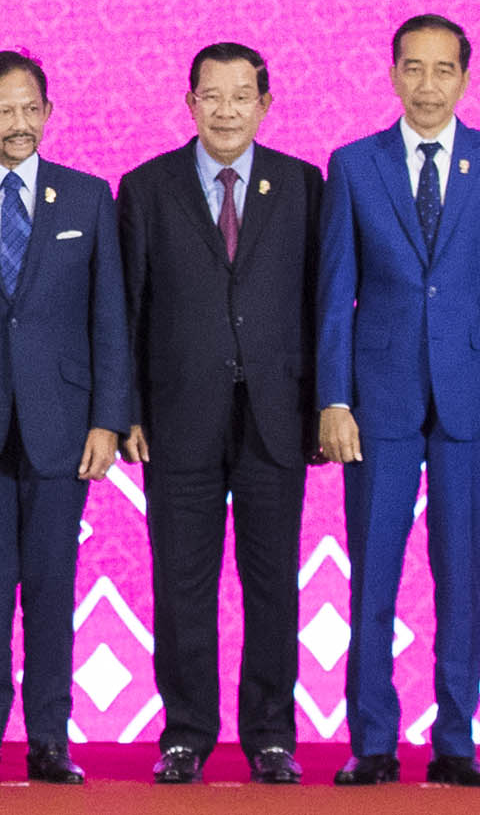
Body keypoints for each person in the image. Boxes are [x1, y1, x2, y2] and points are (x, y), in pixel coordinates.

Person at [315, 14, 480, 788]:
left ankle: (455, 741)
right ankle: (372, 742)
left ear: (465, 79)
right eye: (414, 68)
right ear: (392, 75)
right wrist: (333, 399)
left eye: (444, 70)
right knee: (372, 577)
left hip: (472, 401)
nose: (428, 84)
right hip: (379, 401)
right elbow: (335, 291)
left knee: (462, 578)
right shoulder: (354, 164)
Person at [0, 50, 129, 786]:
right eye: (3, 110)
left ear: (47, 112)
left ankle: (49, 739)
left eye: (31, 108)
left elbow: (110, 318)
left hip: (63, 425)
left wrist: (108, 418)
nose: (19, 122)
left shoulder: (87, 197)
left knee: (51, 587)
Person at [114, 43, 325, 785]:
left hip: (276, 415)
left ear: (265, 105)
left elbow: (322, 304)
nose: (227, 110)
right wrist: (125, 410)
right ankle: (186, 734)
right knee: (181, 584)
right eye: (213, 96)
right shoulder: (146, 187)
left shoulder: (303, 185)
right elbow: (126, 310)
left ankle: (271, 736)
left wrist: (323, 406)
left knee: (273, 584)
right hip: (176, 417)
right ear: (190, 103)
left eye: (242, 96)